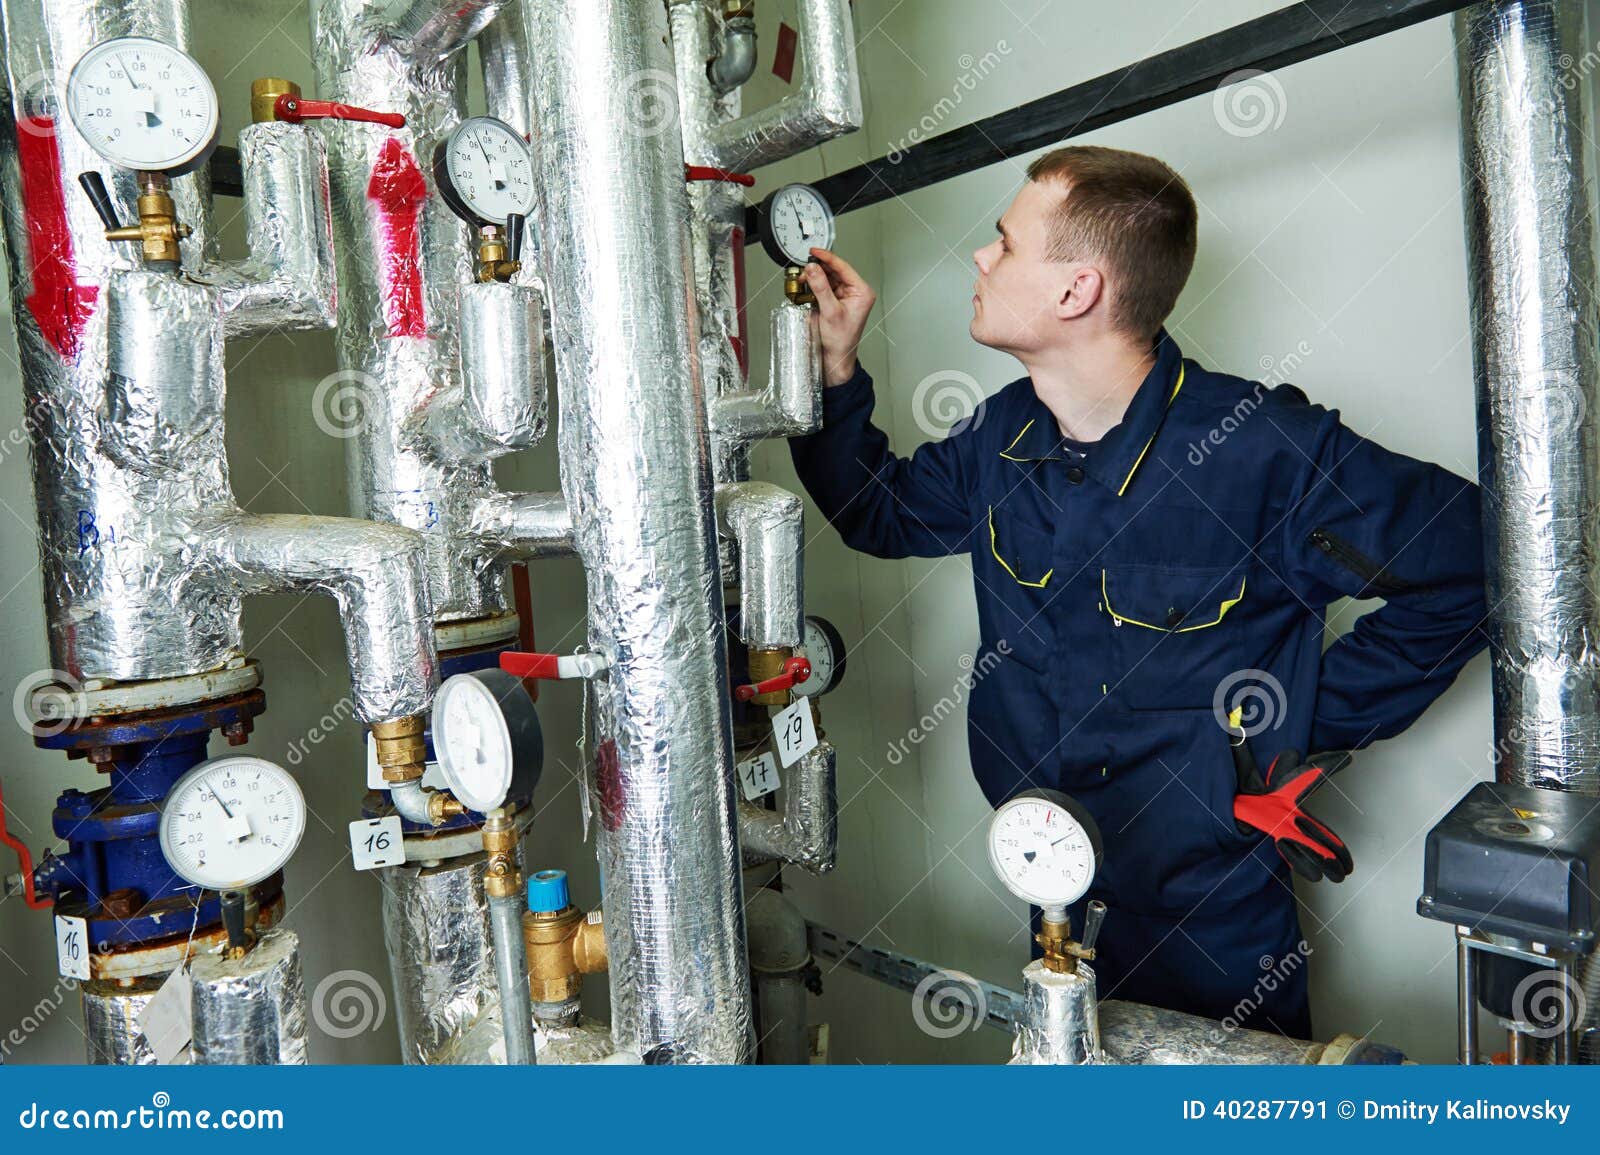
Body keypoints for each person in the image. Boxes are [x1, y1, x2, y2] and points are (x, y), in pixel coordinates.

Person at [787, 145, 1487, 1037]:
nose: (981, 257)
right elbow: (875, 513)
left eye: (1004, 244)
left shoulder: (1261, 450)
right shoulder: (1003, 435)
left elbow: (1471, 568)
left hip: (1215, 929)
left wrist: (1285, 729)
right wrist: (836, 370)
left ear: (1077, 291)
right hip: (1057, 902)